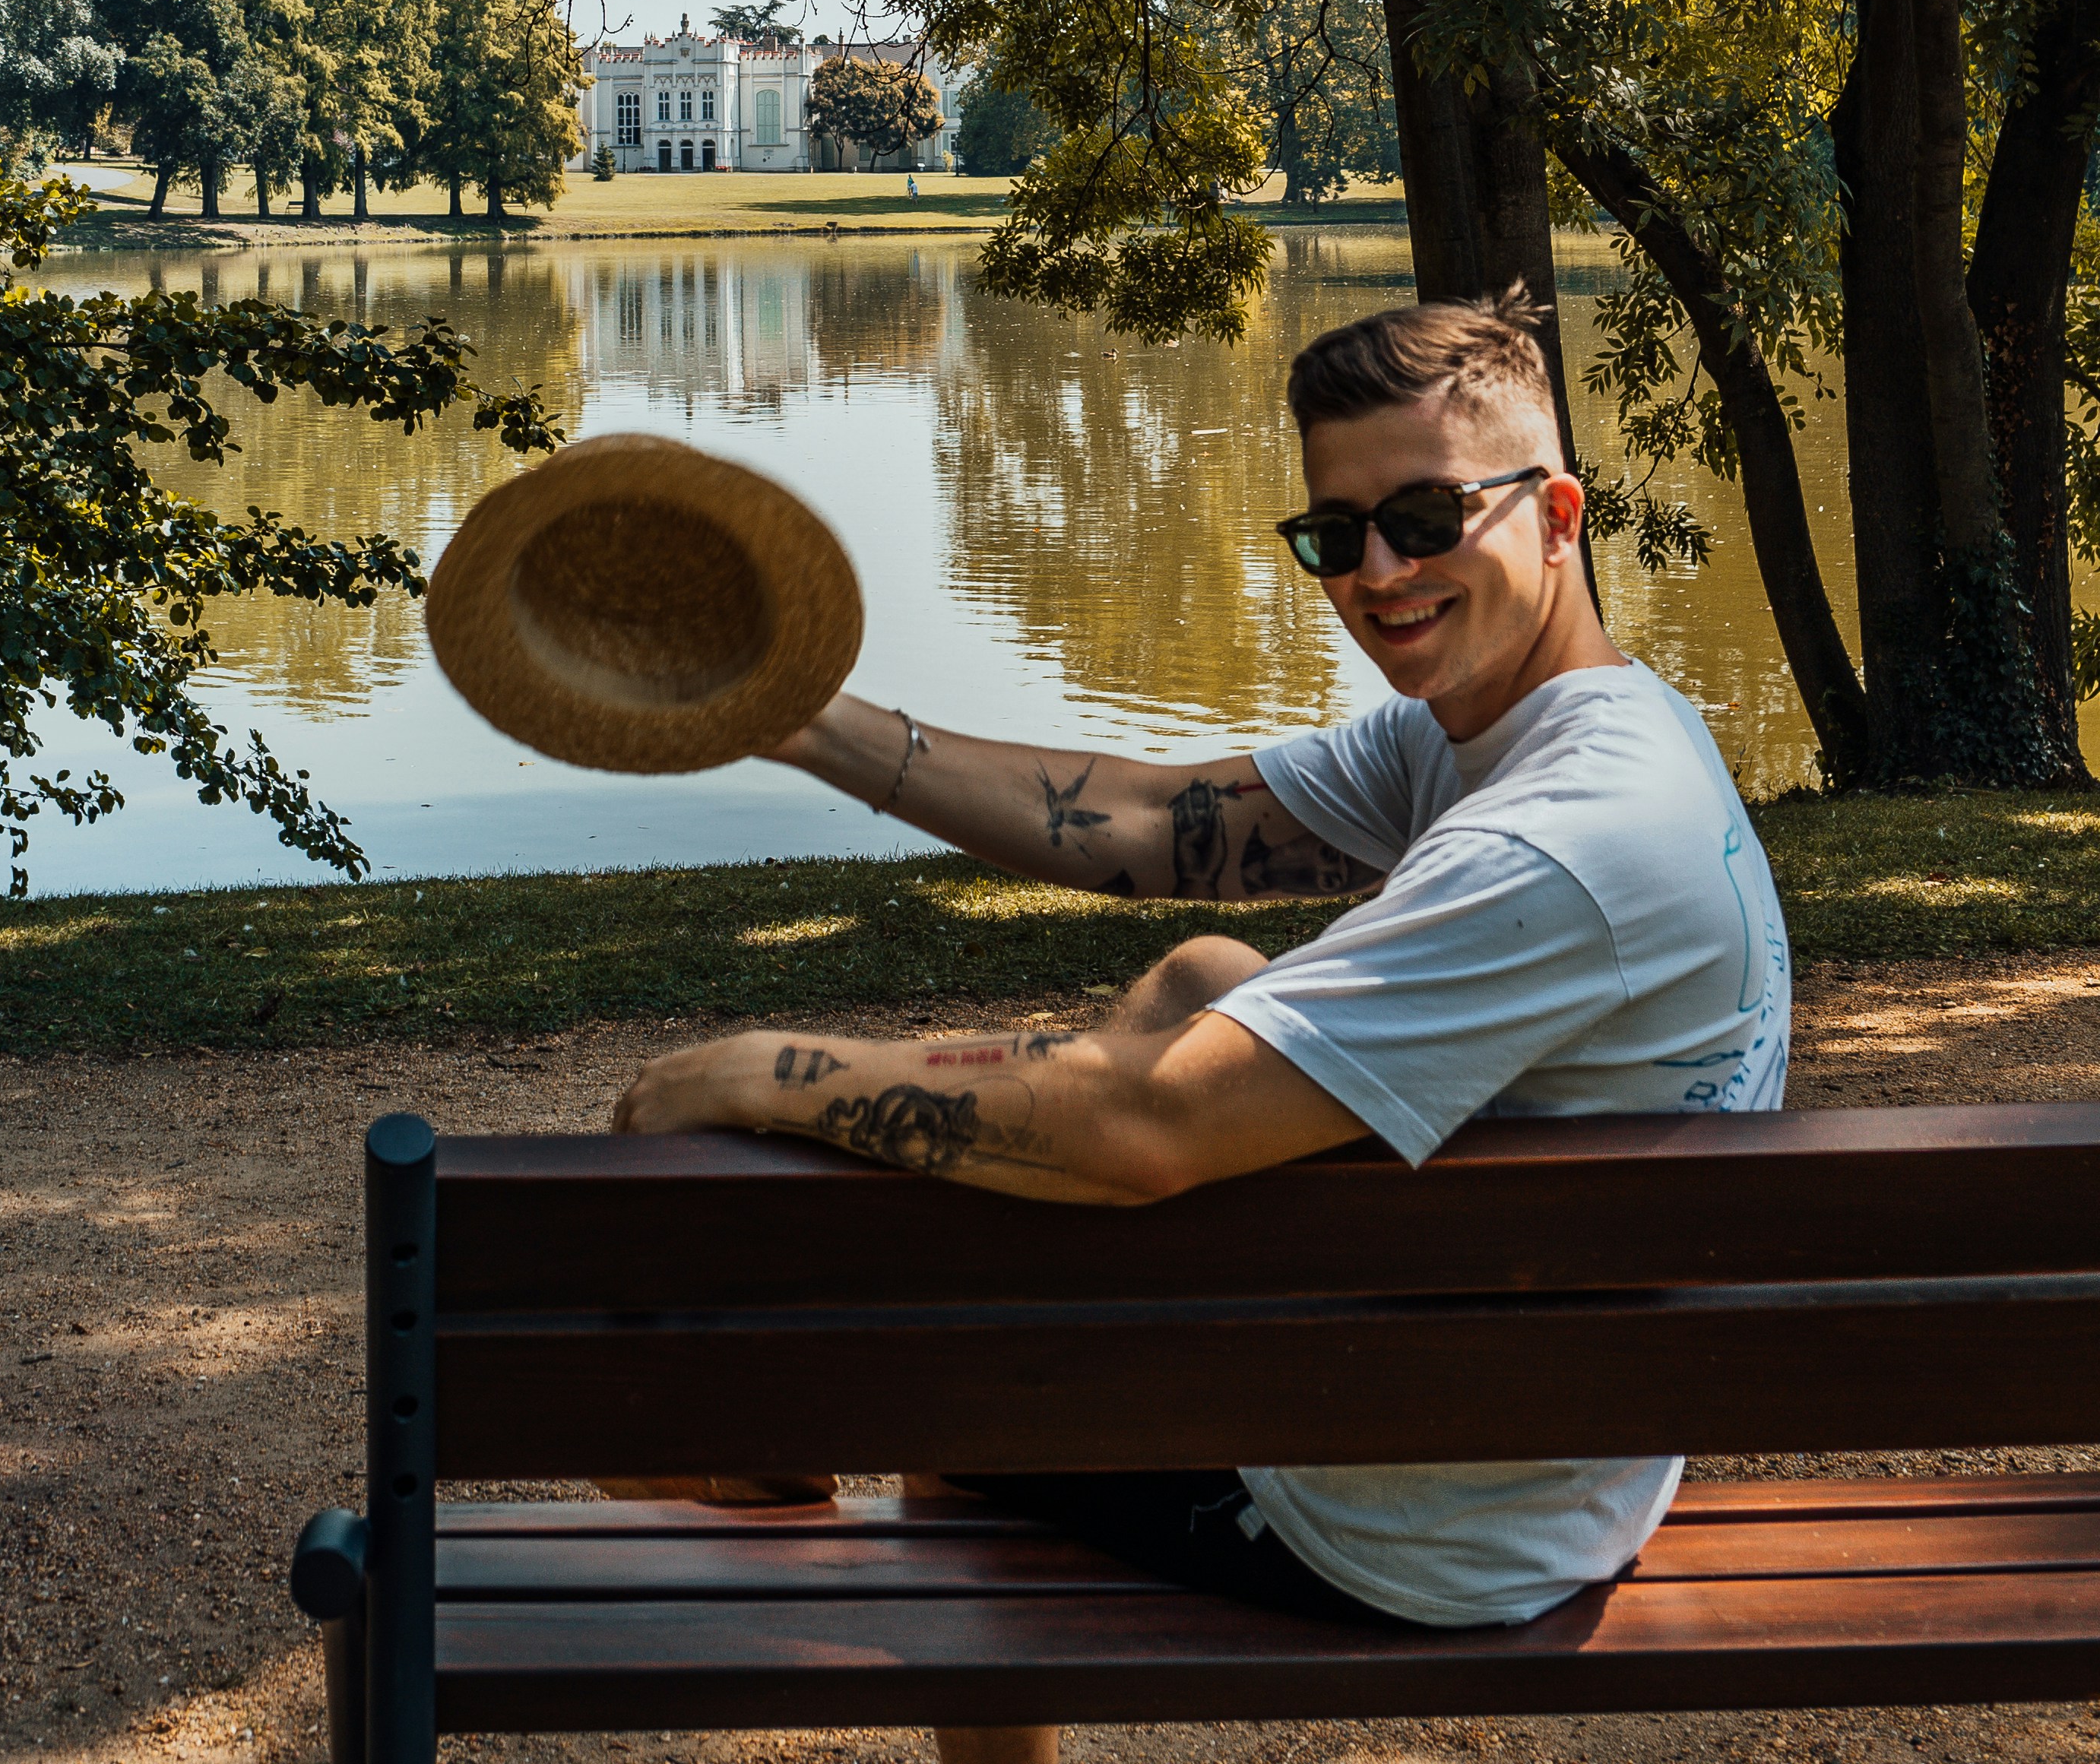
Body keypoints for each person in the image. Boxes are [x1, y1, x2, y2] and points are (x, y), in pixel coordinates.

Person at [610, 283, 1791, 1728]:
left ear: (1557, 516)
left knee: (965, 1396)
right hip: (1538, 1419)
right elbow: (1165, 821)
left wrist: (758, 1071)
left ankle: (775, 1452)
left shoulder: (1559, 837)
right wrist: (803, 722)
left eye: (1425, 521)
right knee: (1200, 977)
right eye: (1334, 535)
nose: (1377, 573)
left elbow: (1147, 1130)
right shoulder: (1537, 725)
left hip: (1423, 1521)